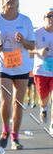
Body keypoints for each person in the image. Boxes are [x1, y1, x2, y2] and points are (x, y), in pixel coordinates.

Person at [0, 0, 35, 150]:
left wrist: (23, 40)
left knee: (18, 103)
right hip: (3, 64)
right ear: (2, 1)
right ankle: (5, 130)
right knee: (5, 100)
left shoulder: (26, 20)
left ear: (18, 1)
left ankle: (15, 137)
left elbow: (32, 45)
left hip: (21, 66)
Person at [29, 8, 53, 136]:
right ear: (44, 18)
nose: (52, 18)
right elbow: (29, 51)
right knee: (43, 98)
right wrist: (39, 51)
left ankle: (52, 125)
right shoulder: (37, 33)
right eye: (49, 16)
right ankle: (43, 108)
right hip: (41, 71)